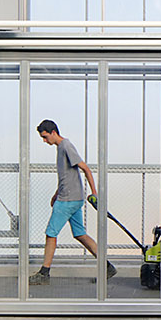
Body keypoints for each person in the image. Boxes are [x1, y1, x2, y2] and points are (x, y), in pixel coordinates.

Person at [30, 119, 117, 285]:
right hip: (71, 197)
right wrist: (56, 193)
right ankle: (107, 266)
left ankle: (44, 273)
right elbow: (66, 176)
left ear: (53, 132)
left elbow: (85, 168)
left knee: (51, 233)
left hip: (68, 200)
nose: (44, 141)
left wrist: (95, 193)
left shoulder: (65, 146)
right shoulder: (61, 148)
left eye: (45, 137)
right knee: (80, 234)